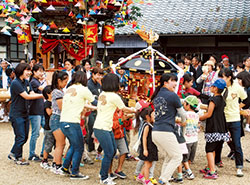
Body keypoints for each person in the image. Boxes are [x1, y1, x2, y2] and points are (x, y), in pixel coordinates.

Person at [93, 73, 136, 185]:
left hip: (102, 126)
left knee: (111, 151)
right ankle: (104, 177)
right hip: (104, 127)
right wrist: (135, 109)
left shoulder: (103, 93)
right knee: (109, 152)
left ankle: (104, 174)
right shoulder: (114, 96)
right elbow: (124, 109)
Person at [151, 73, 186, 185]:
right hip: (165, 131)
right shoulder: (173, 96)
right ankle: (164, 179)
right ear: (165, 82)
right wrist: (183, 121)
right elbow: (183, 114)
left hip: (156, 131)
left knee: (169, 156)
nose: (176, 83)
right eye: (173, 80)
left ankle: (163, 178)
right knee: (177, 156)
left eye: (176, 80)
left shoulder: (157, 95)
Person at [60, 71, 96, 179]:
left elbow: (79, 102)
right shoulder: (84, 89)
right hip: (72, 122)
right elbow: (94, 101)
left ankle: (65, 167)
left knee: (74, 145)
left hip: (64, 121)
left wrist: (94, 108)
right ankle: (75, 172)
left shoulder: (69, 89)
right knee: (79, 147)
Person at [8, 63, 43, 165]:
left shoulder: (26, 82)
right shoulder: (15, 83)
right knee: (21, 136)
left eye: (29, 70)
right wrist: (42, 96)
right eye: (27, 70)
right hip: (16, 114)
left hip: (25, 113)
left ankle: (14, 153)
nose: (29, 73)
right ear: (21, 71)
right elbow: (26, 96)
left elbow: (31, 93)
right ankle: (17, 157)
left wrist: (42, 94)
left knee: (25, 136)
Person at [199, 79, 230, 179]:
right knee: (214, 148)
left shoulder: (213, 100)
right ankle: (209, 167)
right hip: (221, 127)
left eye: (212, 86)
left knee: (209, 149)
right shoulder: (221, 99)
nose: (211, 87)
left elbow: (209, 114)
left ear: (215, 88)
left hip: (213, 127)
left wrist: (197, 118)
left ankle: (212, 171)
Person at [221, 68, 247, 177]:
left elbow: (246, 99)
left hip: (235, 119)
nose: (221, 79)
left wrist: (238, 107)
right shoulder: (220, 87)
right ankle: (216, 162)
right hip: (223, 118)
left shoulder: (237, 87)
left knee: (237, 144)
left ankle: (239, 167)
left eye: (223, 77)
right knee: (218, 141)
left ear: (229, 77)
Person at [50, 71, 68, 174]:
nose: (66, 83)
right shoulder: (57, 92)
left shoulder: (59, 91)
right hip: (57, 118)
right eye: (65, 81)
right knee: (60, 144)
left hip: (58, 118)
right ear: (59, 81)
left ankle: (56, 163)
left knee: (60, 144)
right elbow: (61, 107)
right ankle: (57, 165)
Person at [109, 107, 133, 180]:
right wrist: (121, 119)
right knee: (110, 154)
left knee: (124, 152)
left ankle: (119, 169)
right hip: (112, 136)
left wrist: (128, 119)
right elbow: (112, 125)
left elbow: (126, 125)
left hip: (121, 135)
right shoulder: (109, 112)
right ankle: (109, 171)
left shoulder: (121, 112)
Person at [135, 107, 157, 185]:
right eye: (153, 115)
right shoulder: (147, 126)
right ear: (148, 116)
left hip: (152, 147)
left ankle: (140, 176)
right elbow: (144, 138)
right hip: (148, 147)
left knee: (149, 164)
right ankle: (147, 181)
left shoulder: (151, 124)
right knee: (147, 165)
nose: (155, 116)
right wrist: (145, 149)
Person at [28, 64, 45, 162]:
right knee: (35, 133)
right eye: (39, 71)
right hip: (35, 111)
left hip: (40, 110)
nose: (41, 73)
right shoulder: (34, 82)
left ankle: (44, 151)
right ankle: (32, 153)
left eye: (42, 71)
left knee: (47, 131)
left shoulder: (36, 81)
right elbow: (44, 90)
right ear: (34, 72)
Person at [87, 67, 102, 154]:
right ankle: (90, 148)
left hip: (97, 108)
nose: (99, 77)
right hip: (91, 108)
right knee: (90, 129)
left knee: (95, 128)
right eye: (98, 75)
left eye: (100, 75)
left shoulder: (98, 84)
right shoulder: (89, 84)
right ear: (93, 74)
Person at [40, 85, 55, 169]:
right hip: (48, 127)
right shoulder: (47, 103)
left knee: (55, 144)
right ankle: (44, 160)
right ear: (48, 94)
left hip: (54, 126)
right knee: (48, 144)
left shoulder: (53, 102)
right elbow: (49, 113)